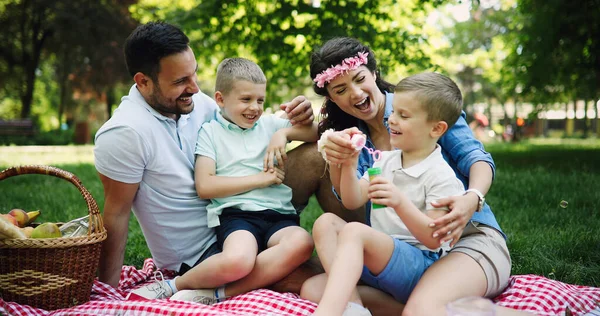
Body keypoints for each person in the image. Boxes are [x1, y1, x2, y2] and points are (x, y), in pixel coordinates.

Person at [299, 37, 525, 316]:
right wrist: (340, 161)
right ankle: (365, 309)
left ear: (374, 73)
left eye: (359, 79)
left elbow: (476, 158)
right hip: (400, 249)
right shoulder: (361, 140)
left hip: (465, 239)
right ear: (331, 96)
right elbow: (351, 199)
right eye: (341, 89)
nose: (355, 93)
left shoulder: (423, 106)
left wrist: (472, 197)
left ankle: (434, 306)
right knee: (313, 288)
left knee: (419, 307)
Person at [93, 21, 315, 300]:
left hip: (254, 209)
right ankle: (209, 290)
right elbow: (116, 214)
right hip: (204, 251)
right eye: (180, 81)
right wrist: (107, 294)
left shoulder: (200, 105)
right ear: (143, 81)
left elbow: (250, 129)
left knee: (318, 154)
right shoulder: (124, 133)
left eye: (194, 74)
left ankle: (370, 239)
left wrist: (296, 120)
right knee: (321, 279)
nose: (196, 88)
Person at [159, 57, 316, 302]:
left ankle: (219, 293)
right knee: (238, 260)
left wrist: (284, 133)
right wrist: (261, 179)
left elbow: (315, 132)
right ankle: (174, 285)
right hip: (238, 216)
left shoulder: (269, 125)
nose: (255, 107)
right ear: (220, 99)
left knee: (303, 242)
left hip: (279, 214)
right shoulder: (211, 133)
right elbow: (205, 186)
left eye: (260, 100)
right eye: (246, 99)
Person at [309, 73, 466, 316]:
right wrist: (349, 164)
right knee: (314, 275)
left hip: (419, 267)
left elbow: (434, 239)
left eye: (403, 116)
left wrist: (399, 202)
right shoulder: (385, 161)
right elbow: (352, 200)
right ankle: (360, 308)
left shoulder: (440, 175)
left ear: (436, 128)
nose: (391, 120)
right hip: (379, 264)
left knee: (354, 232)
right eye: (393, 112)